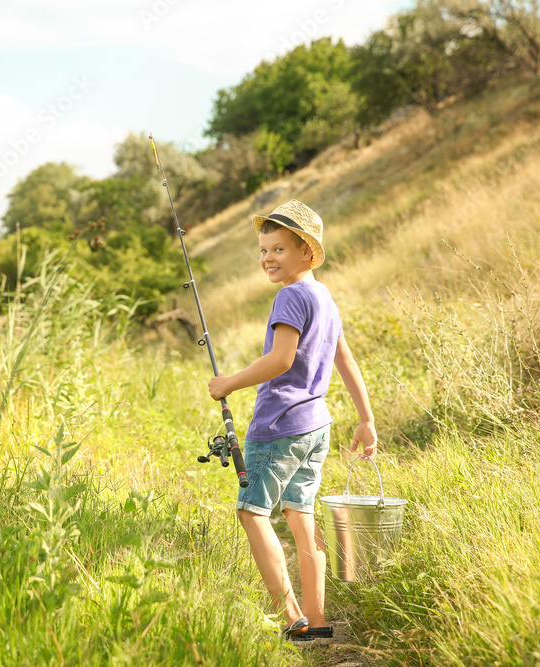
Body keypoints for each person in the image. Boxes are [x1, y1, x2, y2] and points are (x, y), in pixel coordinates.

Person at [207, 199, 377, 644]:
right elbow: (347, 361)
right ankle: (318, 620)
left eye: (279, 249)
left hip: (279, 425)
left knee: (252, 512)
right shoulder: (324, 297)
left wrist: (229, 384)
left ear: (307, 251)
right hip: (317, 426)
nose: (267, 259)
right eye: (263, 250)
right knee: (301, 515)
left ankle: (291, 615)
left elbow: (280, 360)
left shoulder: (291, 296)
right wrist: (365, 419)